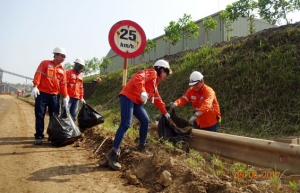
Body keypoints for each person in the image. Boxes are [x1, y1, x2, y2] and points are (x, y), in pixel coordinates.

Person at [105, 59, 172, 170]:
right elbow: (139, 77)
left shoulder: (155, 84)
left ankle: (142, 146)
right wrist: (142, 91)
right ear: (161, 69)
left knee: (145, 121)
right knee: (126, 123)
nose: (167, 75)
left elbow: (157, 99)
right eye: (166, 72)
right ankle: (113, 153)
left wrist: (165, 113)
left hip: (136, 101)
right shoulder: (152, 73)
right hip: (128, 96)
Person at [30, 47, 69, 145]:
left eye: (65, 57)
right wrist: (35, 86)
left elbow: (63, 84)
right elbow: (38, 74)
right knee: (39, 115)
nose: (63, 58)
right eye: (62, 56)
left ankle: (52, 136)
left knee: (54, 117)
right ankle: (39, 136)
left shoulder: (63, 70)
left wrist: (65, 96)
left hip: (54, 96)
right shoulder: (45, 63)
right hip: (42, 94)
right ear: (55, 55)